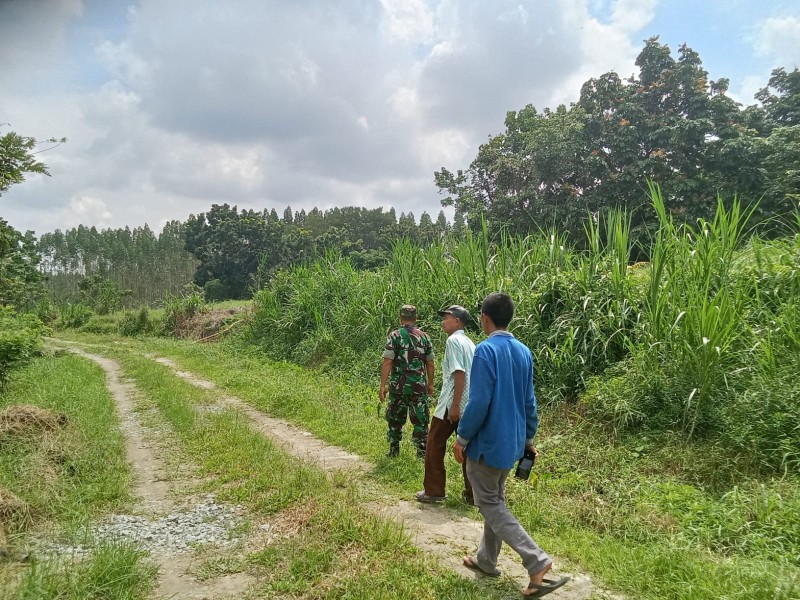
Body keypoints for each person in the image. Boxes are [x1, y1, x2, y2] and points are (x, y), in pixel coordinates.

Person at [453, 293, 569, 598]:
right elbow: (530, 401)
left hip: (487, 444)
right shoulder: (523, 351)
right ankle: (486, 561)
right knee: (496, 501)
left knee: (489, 504)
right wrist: (528, 439)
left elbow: (479, 401)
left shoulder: (486, 350)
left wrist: (462, 438)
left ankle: (537, 561)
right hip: (512, 443)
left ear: (485, 318)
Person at [415, 305, 476, 505]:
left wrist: (455, 405)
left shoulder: (453, 341)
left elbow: (459, 373)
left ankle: (434, 491)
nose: (443, 321)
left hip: (452, 404)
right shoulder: (470, 343)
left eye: (447, 317)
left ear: (457, 321)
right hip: (469, 403)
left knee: (434, 443)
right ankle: (473, 494)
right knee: (468, 449)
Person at [379, 304, 435, 458]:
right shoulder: (424, 337)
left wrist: (382, 385)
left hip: (399, 387)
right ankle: (421, 453)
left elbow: (387, 361)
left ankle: (394, 450)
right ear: (415, 318)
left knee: (395, 418)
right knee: (421, 419)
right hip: (418, 386)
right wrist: (430, 384)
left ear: (401, 318)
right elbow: (430, 363)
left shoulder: (395, 336)